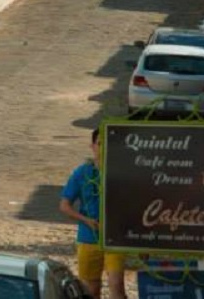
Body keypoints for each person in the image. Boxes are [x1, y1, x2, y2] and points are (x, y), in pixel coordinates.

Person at [60, 128, 126, 299]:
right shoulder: (82, 173)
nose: (103, 148)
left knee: (116, 285)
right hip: (88, 237)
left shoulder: (121, 172)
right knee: (91, 290)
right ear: (92, 146)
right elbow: (65, 205)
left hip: (114, 237)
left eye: (107, 144)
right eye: (99, 143)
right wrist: (85, 220)